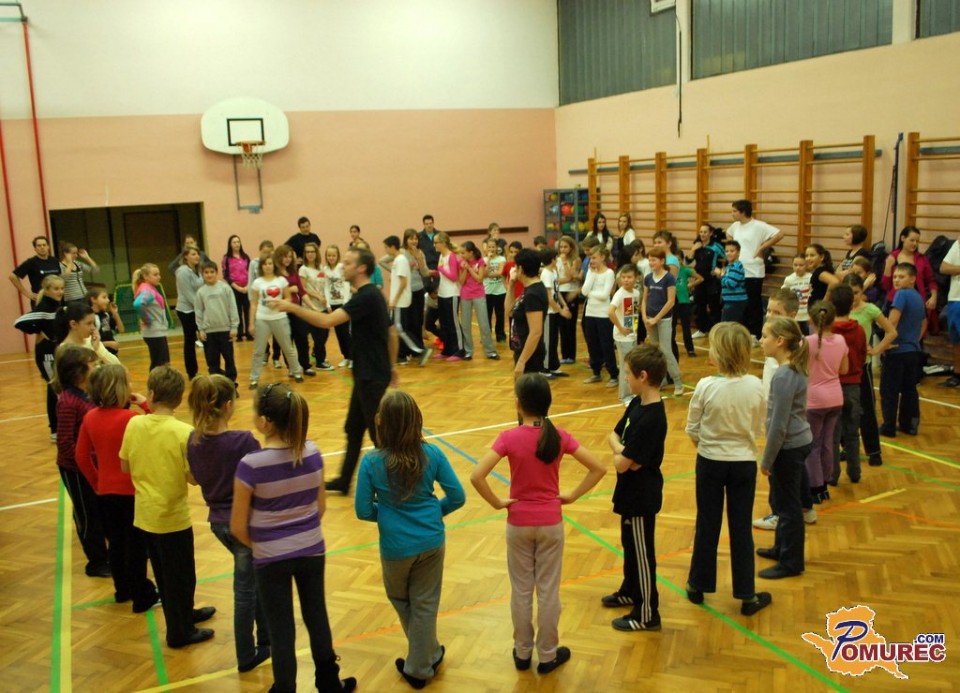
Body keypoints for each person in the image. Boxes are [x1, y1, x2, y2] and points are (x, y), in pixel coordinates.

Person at [471, 374, 605, 675]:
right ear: (547, 404)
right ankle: (547, 655)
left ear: (519, 404)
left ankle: (522, 652)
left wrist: (497, 502)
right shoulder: (559, 436)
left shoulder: (508, 437)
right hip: (550, 522)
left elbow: (477, 476)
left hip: (518, 523)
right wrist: (572, 495)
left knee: (521, 591)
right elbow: (598, 468)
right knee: (548, 591)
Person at [231, 383, 357, 693]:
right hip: (311, 549)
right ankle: (329, 682)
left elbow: (237, 526)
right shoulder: (312, 453)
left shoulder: (251, 465)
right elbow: (320, 507)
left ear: (265, 422)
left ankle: (285, 686)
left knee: (281, 628)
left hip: (270, 558)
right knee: (317, 616)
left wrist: (265, 545)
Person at [355, 391, 465, 689]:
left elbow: (363, 510)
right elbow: (457, 496)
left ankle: (418, 669)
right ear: (418, 421)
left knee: (401, 600)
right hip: (432, 541)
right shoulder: (433, 454)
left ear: (380, 422)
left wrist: (389, 517)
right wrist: (434, 513)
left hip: (395, 548)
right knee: (425, 604)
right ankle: (430, 652)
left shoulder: (372, 461)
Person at [272, 247, 399, 495]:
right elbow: (392, 332)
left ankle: (395, 484)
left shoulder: (366, 297)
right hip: (368, 373)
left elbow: (327, 321)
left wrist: (292, 307)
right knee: (354, 428)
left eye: (348, 263)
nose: (343, 266)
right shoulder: (371, 294)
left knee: (378, 434)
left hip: (371, 375)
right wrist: (392, 365)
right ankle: (344, 481)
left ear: (361, 268)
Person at [120, 365, 216, 648]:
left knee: (164, 574)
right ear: (179, 398)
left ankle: (183, 615)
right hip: (173, 516)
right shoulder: (183, 432)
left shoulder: (134, 424)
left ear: (150, 393)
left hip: (145, 513)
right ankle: (179, 632)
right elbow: (193, 478)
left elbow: (125, 466)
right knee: (182, 575)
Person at [685, 322, 770, 615]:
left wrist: (709, 447)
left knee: (707, 523)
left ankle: (697, 585)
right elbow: (760, 424)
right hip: (743, 464)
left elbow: (692, 428)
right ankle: (747, 595)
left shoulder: (706, 386)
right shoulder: (756, 385)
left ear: (718, 353)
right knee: (741, 527)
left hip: (710, 462)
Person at [187, 375, 271, 672]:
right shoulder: (242, 441)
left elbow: (195, 478)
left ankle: (266, 638)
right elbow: (263, 477)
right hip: (244, 524)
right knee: (245, 591)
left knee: (254, 581)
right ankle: (246, 655)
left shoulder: (194, 440)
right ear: (227, 406)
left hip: (219, 524)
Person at [76, 364, 159, 611]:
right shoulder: (131, 419)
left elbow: (81, 456)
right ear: (121, 388)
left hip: (105, 493)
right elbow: (156, 430)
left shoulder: (90, 417)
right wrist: (146, 405)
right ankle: (142, 595)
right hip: (131, 493)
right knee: (136, 546)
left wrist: (97, 482)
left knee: (116, 544)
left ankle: (122, 589)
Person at [603, 344, 667, 631]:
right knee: (629, 545)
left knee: (642, 553)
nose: (625, 377)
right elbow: (613, 435)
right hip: (629, 491)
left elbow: (621, 464)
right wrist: (624, 451)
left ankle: (647, 612)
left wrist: (622, 454)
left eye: (628, 373)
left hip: (642, 495)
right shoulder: (636, 404)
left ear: (643, 376)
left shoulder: (653, 418)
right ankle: (630, 589)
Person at [755, 317, 813, 580]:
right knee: (781, 502)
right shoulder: (791, 369)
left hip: (789, 446)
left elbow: (779, 424)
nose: (761, 341)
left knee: (788, 507)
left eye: (765, 336)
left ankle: (791, 562)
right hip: (794, 442)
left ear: (780, 341)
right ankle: (781, 548)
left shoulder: (783, 375)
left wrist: (767, 459)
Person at [54, 345, 111, 578]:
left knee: (101, 510)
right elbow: (65, 443)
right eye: (93, 364)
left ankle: (108, 554)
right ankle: (96, 562)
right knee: (87, 514)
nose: (97, 367)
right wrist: (84, 466)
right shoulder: (68, 402)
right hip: (76, 470)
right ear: (78, 372)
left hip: (93, 466)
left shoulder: (90, 393)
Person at [845, 274, 897, 466]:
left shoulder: (870, 310)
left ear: (862, 291)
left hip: (861, 368)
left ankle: (874, 451)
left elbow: (891, 332)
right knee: (844, 410)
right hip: (841, 369)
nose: (853, 297)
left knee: (866, 411)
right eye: (849, 293)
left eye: (856, 292)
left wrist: (876, 350)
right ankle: (847, 448)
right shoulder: (838, 310)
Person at [804, 301, 849, 503]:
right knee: (827, 442)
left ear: (811, 320)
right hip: (835, 397)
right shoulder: (840, 340)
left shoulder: (808, 342)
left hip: (814, 400)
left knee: (812, 444)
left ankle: (816, 487)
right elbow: (844, 369)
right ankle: (825, 483)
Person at [14, 274, 65, 438]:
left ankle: (62, 425)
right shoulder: (43, 307)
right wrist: (38, 331)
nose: (60, 291)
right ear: (47, 290)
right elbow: (19, 322)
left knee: (59, 386)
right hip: (46, 353)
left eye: (62, 288)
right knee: (54, 387)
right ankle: (55, 429)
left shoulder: (57, 306)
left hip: (56, 350)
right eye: (56, 289)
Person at [879, 263, 926, 437]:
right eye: (895, 277)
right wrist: (914, 340)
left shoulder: (901, 295)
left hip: (897, 350)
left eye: (901, 276)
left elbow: (892, 322)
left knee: (889, 390)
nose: (896, 280)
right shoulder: (918, 297)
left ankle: (888, 427)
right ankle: (909, 425)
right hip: (913, 351)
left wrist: (883, 344)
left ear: (913, 279)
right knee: (909, 389)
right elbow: (923, 322)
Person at [726, 200, 784, 339]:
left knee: (754, 302)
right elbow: (728, 234)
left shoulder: (758, 226)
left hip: (753, 270)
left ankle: (755, 334)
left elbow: (779, 234)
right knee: (742, 302)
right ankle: (744, 331)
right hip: (739, 269)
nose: (732, 214)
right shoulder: (735, 226)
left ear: (743, 212)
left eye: (734, 211)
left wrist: (762, 248)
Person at [828, 285, 867, 486]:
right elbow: (862, 355)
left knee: (833, 435)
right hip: (853, 386)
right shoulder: (859, 330)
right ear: (851, 305)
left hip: (834, 386)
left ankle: (832, 475)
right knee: (852, 432)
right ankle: (855, 472)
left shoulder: (829, 332)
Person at [247, 255, 304, 389]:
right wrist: (251, 323)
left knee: (288, 347)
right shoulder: (257, 283)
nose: (268, 266)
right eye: (265, 264)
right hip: (262, 319)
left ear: (274, 265)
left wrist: (278, 302)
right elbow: (254, 304)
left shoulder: (281, 280)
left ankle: (297, 372)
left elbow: (288, 298)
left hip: (280, 318)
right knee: (259, 351)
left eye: (270, 264)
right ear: (261, 266)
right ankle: (254, 379)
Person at [383, 235, 431, 365]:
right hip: (399, 301)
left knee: (399, 329)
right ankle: (405, 355)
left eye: (386, 247)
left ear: (393, 247)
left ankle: (420, 351)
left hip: (400, 302)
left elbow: (403, 283)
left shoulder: (400, 260)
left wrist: (394, 300)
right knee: (400, 329)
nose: (385, 250)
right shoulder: (399, 260)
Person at [642, 247, 684, 396]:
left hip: (664, 319)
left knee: (666, 350)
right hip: (650, 319)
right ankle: (662, 379)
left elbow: (671, 301)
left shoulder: (669, 278)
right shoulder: (648, 278)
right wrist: (644, 316)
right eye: (649, 260)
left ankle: (678, 382)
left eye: (653, 260)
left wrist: (656, 318)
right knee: (656, 352)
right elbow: (644, 299)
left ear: (662, 261)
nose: (651, 262)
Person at [275, 244, 317, 378]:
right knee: (287, 340)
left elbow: (302, 291)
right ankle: (292, 367)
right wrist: (289, 290)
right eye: (285, 256)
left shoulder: (293, 272)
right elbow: (273, 292)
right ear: (279, 257)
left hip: (296, 310)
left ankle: (305, 365)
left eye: (289, 257)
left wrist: (312, 307)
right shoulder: (275, 274)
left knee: (302, 338)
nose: (287, 259)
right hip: (282, 311)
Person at [195, 260, 240, 384]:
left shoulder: (225, 288)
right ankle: (216, 383)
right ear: (202, 274)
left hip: (225, 330)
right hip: (209, 332)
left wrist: (234, 327)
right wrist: (201, 329)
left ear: (216, 273)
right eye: (206, 272)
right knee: (212, 361)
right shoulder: (201, 292)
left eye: (212, 272)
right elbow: (198, 311)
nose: (209, 275)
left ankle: (231, 383)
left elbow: (232, 307)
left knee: (229, 359)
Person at [506, 248, 548, 378]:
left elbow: (536, 332)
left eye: (516, 266)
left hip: (530, 355)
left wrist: (522, 362)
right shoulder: (528, 289)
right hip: (522, 349)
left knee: (527, 390)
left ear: (521, 269)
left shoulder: (533, 294)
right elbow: (509, 311)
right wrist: (511, 285)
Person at [581, 246, 618, 385]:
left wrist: (590, 293)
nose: (591, 260)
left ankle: (613, 374)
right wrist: (591, 275)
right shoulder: (591, 272)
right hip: (590, 313)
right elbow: (584, 291)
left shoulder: (609, 273)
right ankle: (596, 372)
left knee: (606, 345)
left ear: (603, 257)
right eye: (590, 258)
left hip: (603, 315)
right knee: (592, 344)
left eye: (594, 257)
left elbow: (605, 295)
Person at [881, 226, 938, 311]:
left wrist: (934, 297)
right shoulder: (892, 257)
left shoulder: (922, 259)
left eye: (917, 241)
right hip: (895, 300)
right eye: (912, 240)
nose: (915, 244)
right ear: (903, 238)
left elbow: (931, 280)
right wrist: (888, 266)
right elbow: (885, 286)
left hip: (917, 300)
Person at [458, 240, 498, 361]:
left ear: (471, 252)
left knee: (484, 324)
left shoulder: (480, 262)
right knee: (465, 325)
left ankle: (490, 351)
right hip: (465, 295)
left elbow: (480, 279)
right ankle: (468, 351)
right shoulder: (462, 262)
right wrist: (465, 269)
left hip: (478, 295)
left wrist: (469, 268)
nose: (461, 255)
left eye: (463, 253)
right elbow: (461, 281)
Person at [299, 242, 336, 371]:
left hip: (322, 306)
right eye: (307, 252)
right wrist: (317, 296)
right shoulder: (303, 269)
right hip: (309, 308)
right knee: (317, 336)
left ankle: (317, 353)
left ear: (316, 253)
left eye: (312, 252)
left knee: (324, 333)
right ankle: (320, 361)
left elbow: (326, 285)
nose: (310, 254)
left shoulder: (321, 268)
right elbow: (303, 288)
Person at [610, 264, 641, 405]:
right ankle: (624, 396)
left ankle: (631, 392)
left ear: (636, 278)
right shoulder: (620, 294)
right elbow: (610, 312)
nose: (626, 280)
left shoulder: (636, 293)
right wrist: (620, 328)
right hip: (622, 337)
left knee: (631, 365)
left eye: (629, 277)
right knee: (625, 366)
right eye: (623, 277)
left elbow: (632, 313)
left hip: (632, 335)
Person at [538, 247, 570, 375]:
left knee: (554, 340)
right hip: (548, 313)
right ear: (552, 259)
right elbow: (548, 297)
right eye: (556, 257)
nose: (557, 259)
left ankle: (553, 366)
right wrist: (561, 311)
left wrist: (564, 305)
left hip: (555, 311)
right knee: (547, 341)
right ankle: (544, 368)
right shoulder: (545, 274)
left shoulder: (554, 272)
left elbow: (557, 292)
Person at [688, 224, 724, 338]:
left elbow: (727, 257)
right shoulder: (696, 245)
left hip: (712, 281)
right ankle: (702, 329)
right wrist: (693, 249)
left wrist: (721, 270)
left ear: (710, 233)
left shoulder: (716, 246)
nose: (702, 234)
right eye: (701, 232)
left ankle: (715, 330)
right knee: (700, 305)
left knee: (714, 306)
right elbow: (688, 261)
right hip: (699, 280)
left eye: (705, 232)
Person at [133, 262, 170, 371]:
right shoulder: (147, 290)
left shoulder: (149, 288)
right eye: (155, 275)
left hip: (157, 332)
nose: (159, 277)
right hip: (154, 332)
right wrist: (147, 320)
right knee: (160, 364)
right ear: (145, 276)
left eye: (159, 274)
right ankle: (156, 381)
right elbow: (138, 304)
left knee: (160, 362)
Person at [433, 233, 465, 360]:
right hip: (442, 293)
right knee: (444, 324)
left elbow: (453, 277)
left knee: (453, 323)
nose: (434, 245)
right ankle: (447, 350)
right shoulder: (441, 256)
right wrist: (436, 272)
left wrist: (441, 269)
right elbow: (443, 273)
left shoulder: (451, 256)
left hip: (452, 294)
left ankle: (460, 350)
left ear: (443, 243)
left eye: (436, 242)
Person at [321, 244, 353, 367]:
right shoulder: (325, 269)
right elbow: (326, 286)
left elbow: (346, 285)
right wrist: (328, 303)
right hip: (333, 304)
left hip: (343, 303)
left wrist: (345, 302)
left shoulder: (341, 268)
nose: (331, 257)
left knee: (346, 332)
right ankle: (345, 356)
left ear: (337, 256)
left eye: (333, 255)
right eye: (329, 255)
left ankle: (352, 357)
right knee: (339, 333)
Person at [175, 246, 204, 380]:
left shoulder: (197, 270)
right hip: (186, 310)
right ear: (186, 256)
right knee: (190, 340)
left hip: (197, 308)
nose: (196, 256)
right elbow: (188, 293)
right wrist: (201, 308)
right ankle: (192, 372)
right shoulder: (183, 271)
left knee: (204, 337)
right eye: (193, 254)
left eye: (197, 254)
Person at [9, 235, 60, 306]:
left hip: (55, 300)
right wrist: (26, 293)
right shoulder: (31, 262)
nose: (42, 247)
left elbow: (60, 277)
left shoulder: (54, 261)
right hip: (40, 301)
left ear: (48, 247)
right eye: (39, 245)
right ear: (35, 248)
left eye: (44, 245)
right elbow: (12, 276)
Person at [222, 234, 252, 341]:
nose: (236, 244)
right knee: (237, 311)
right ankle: (239, 334)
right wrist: (237, 288)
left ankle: (249, 333)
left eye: (238, 242)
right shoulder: (226, 258)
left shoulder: (246, 257)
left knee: (248, 310)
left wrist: (247, 286)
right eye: (234, 242)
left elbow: (250, 272)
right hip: (234, 289)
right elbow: (226, 275)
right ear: (230, 244)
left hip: (247, 288)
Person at [556, 235, 581, 362]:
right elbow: (556, 279)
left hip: (571, 292)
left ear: (571, 248)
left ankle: (571, 355)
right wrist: (566, 279)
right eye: (561, 247)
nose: (563, 250)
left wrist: (565, 263)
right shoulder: (556, 260)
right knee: (562, 325)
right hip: (560, 293)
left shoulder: (575, 260)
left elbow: (571, 276)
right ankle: (564, 355)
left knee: (570, 325)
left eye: (565, 247)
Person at [939, 239, 960, 388]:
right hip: (955, 298)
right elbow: (944, 267)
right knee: (956, 340)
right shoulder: (957, 245)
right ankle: (957, 374)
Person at [675, 260, 702, 357]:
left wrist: (689, 285)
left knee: (686, 327)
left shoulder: (685, 270)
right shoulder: (668, 271)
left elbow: (700, 278)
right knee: (671, 328)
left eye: (678, 259)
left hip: (684, 302)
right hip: (673, 302)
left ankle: (690, 349)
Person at [483, 237, 508, 343]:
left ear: (497, 247)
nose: (491, 249)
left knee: (500, 314)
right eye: (489, 247)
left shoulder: (502, 259)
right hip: (487, 291)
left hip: (500, 291)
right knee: (487, 315)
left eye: (493, 247)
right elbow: (484, 273)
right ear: (486, 248)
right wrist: (489, 260)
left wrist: (488, 274)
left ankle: (500, 335)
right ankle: (487, 335)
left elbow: (500, 272)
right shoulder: (484, 260)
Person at [718, 240, 747, 325]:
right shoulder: (729, 266)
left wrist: (721, 275)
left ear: (738, 252)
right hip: (730, 300)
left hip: (735, 301)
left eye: (732, 251)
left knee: (728, 327)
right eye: (727, 251)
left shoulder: (736, 266)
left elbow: (731, 284)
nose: (728, 253)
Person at [87, 287, 124, 356]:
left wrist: (115, 314)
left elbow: (121, 330)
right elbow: (89, 342)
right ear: (93, 299)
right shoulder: (90, 318)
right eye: (104, 297)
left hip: (111, 354)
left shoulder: (106, 315)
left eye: (107, 297)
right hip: (99, 355)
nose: (108, 300)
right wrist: (108, 344)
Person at [781, 253, 812, 331]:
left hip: (807, 315)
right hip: (794, 315)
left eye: (801, 265)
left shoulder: (810, 277)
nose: (798, 268)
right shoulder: (789, 279)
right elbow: (784, 294)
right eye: (795, 265)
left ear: (807, 265)